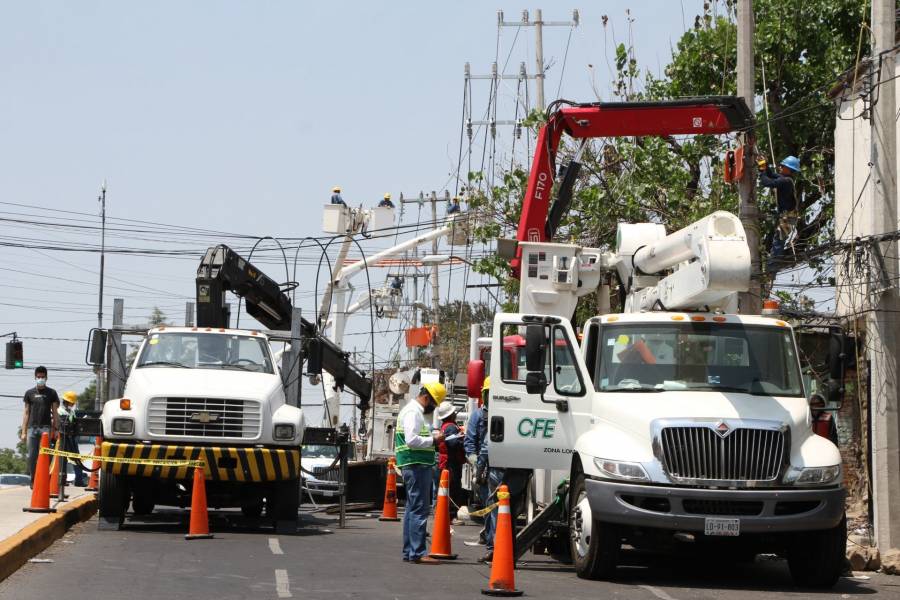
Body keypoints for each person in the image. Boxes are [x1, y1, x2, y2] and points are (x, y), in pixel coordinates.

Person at [395, 382, 446, 564]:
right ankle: (417, 552)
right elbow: (412, 440)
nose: (433, 407)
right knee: (419, 509)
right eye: (434, 403)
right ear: (427, 398)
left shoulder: (412, 411)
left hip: (413, 464)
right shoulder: (413, 412)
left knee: (412, 509)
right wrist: (434, 440)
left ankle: (410, 551)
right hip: (415, 465)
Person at [21, 366, 60, 485]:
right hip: (32, 429)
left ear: (46, 378)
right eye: (38, 377)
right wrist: (23, 432)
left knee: (45, 456)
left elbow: (55, 412)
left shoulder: (52, 393)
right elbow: (26, 413)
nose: (40, 379)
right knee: (32, 457)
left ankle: (44, 480)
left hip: (46, 429)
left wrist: (56, 429)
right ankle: (33, 480)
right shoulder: (29, 393)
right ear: (35, 377)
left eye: (43, 377)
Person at [464, 376, 491, 547]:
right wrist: (476, 466)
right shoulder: (478, 416)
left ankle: (491, 536)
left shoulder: (507, 414)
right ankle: (490, 537)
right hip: (484, 468)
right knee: (489, 505)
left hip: (503, 467)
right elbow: (470, 443)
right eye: (489, 394)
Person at [758, 155, 800, 261]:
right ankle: (772, 263)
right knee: (776, 239)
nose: (780, 167)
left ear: (789, 170)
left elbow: (767, 182)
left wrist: (762, 169)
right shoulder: (785, 179)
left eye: (783, 166)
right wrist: (765, 165)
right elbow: (771, 174)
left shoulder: (785, 181)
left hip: (788, 218)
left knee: (778, 242)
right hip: (787, 216)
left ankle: (772, 266)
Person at [435, 401, 465, 524]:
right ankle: (451, 516)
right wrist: (463, 439)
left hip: (444, 461)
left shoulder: (444, 427)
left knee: (445, 489)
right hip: (451, 463)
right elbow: (453, 443)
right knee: (453, 489)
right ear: (450, 414)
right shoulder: (451, 427)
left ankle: (443, 513)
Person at [58, 391, 86, 487]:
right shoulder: (59, 411)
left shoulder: (72, 412)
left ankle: (79, 480)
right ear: (66, 401)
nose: (73, 404)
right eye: (72, 402)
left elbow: (74, 422)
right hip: (62, 438)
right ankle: (62, 480)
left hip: (71, 437)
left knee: (76, 459)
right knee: (62, 459)